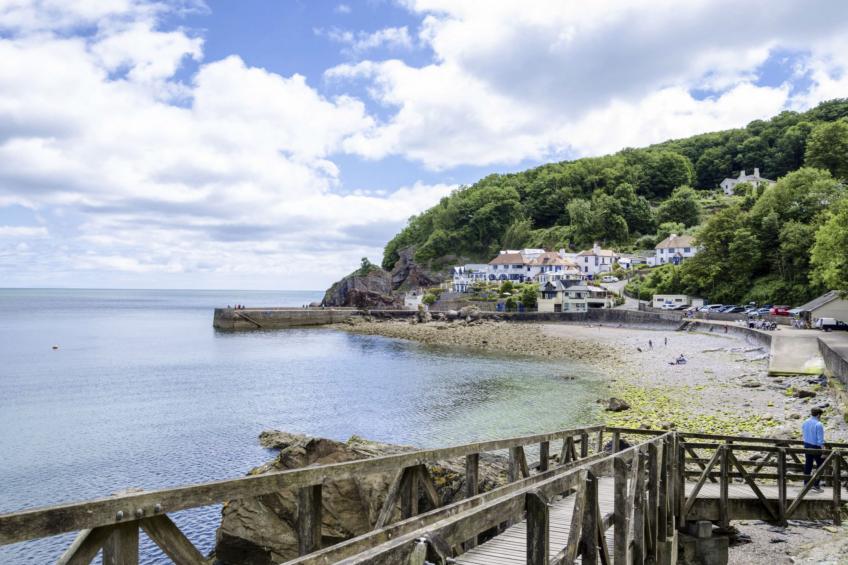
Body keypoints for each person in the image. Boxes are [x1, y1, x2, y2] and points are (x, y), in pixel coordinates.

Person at [802, 407, 825, 492]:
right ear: (818, 415)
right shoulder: (818, 424)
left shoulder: (805, 422)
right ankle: (816, 484)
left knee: (808, 464)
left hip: (807, 445)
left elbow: (804, 433)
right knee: (821, 465)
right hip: (816, 447)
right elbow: (820, 440)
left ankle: (806, 484)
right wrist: (823, 450)